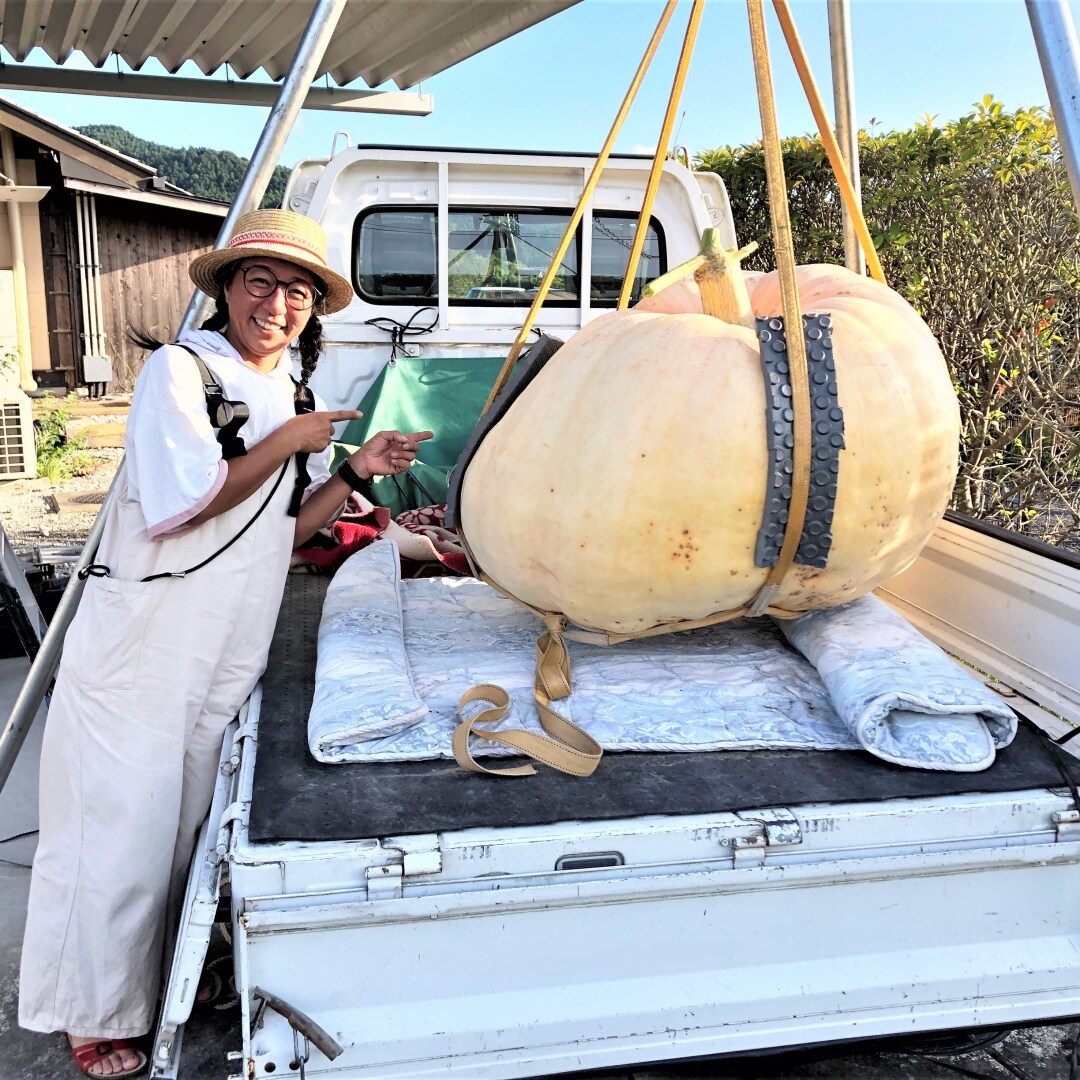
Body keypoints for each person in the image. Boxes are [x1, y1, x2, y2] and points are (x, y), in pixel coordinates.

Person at [18, 209, 433, 1078]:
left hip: (226, 635)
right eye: (260, 283)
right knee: (117, 828)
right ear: (225, 290)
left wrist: (356, 473)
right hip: (148, 634)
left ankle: (159, 980)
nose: (276, 304)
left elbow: (284, 528)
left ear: (313, 309)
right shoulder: (178, 372)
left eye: (296, 291)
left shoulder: (295, 396)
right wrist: (288, 442)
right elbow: (184, 503)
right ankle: (94, 1014)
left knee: (185, 830)